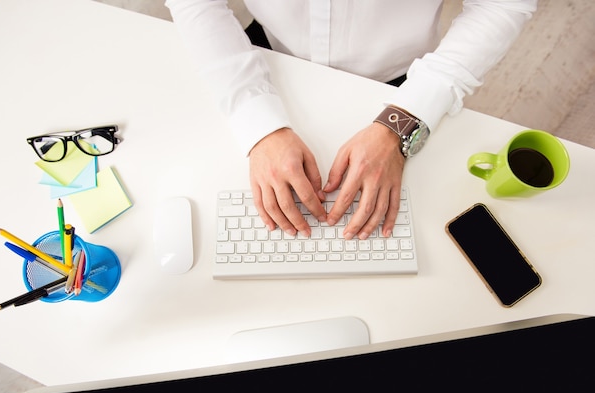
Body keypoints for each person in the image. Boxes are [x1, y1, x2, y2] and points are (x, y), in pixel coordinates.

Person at [165, 0, 537, 240]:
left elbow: (502, 5)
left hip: (402, 82)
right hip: (268, 58)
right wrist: (257, 124)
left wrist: (403, 120)